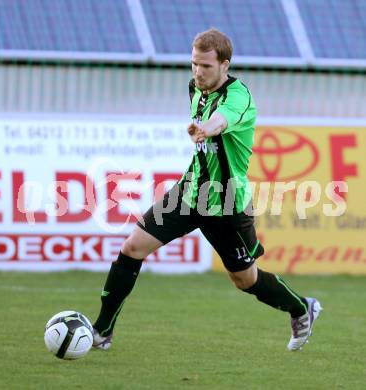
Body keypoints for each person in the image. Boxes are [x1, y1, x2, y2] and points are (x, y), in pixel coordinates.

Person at [92, 28, 322, 352]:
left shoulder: (239, 96)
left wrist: (205, 129)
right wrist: (200, 131)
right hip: (190, 192)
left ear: (225, 65)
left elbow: (222, 121)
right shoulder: (194, 88)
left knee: (245, 280)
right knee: (132, 247)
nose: (198, 72)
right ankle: (101, 332)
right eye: (194, 64)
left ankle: (301, 308)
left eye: (206, 66)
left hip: (228, 204)